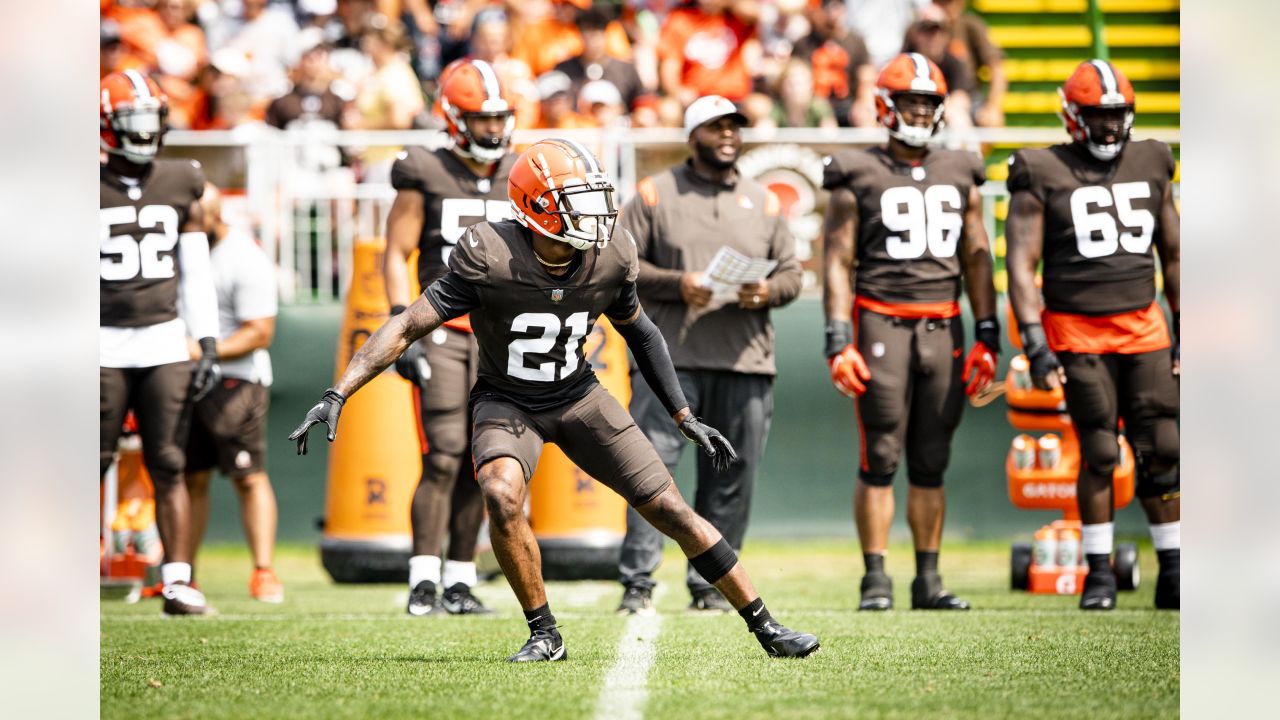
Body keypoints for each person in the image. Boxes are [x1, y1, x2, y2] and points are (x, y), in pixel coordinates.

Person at [290, 138, 820, 662]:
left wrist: (684, 415)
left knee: (671, 508)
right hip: (507, 399)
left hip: (579, 396)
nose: (595, 215)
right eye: (578, 200)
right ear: (536, 207)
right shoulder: (490, 254)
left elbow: (643, 333)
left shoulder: (611, 255)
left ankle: (766, 626)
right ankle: (544, 632)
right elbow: (407, 324)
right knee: (499, 494)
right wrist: (340, 391)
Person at [820, 53, 998, 611]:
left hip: (944, 324)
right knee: (881, 453)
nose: (920, 113)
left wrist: (988, 332)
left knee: (931, 457)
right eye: (910, 102)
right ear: (884, 106)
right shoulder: (858, 171)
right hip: (881, 322)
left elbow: (976, 255)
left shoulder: (961, 168)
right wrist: (834, 338)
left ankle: (928, 579)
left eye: (928, 103)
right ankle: (876, 577)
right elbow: (836, 259)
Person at [614, 95, 803, 615]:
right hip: (669, 360)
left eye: (735, 127)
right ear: (692, 134)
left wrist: (763, 292)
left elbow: (792, 272)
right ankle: (638, 583)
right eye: (716, 127)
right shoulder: (654, 194)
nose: (728, 135)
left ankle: (710, 585)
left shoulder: (763, 200)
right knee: (650, 470)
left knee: (732, 476)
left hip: (745, 360)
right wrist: (680, 284)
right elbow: (620, 263)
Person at [1005, 60, 1180, 611]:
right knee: (1101, 450)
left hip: (1143, 325)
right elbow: (1020, 265)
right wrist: (1035, 341)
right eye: (1097, 116)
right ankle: (1099, 574)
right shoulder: (1041, 169)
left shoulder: (1152, 158)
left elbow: (1173, 253)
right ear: (1072, 117)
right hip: (1077, 330)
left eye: (1116, 115)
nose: (1108, 127)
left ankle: (1174, 570)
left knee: (1165, 450)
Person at [384, 59, 517, 617]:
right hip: (440, 328)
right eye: (480, 119)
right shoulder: (424, 169)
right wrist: (400, 327)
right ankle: (422, 579)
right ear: (454, 118)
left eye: (498, 118)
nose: (492, 129)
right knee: (441, 455)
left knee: (481, 461)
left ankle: (460, 580)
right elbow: (396, 251)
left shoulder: (520, 169)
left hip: (502, 334)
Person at [100, 70, 222, 615]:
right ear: (107, 126)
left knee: (169, 460)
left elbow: (195, 268)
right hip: (97, 341)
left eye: (151, 119)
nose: (144, 132)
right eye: (133, 120)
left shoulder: (180, 180)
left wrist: (208, 339)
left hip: (163, 340)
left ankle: (176, 580)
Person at [182, 183, 284, 604]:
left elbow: (260, 333)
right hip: (184, 378)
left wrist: (202, 351)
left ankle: (263, 571)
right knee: (188, 479)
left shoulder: (243, 256)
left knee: (247, 475)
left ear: (212, 216)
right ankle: (182, 575)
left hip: (236, 381)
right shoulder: (181, 251)